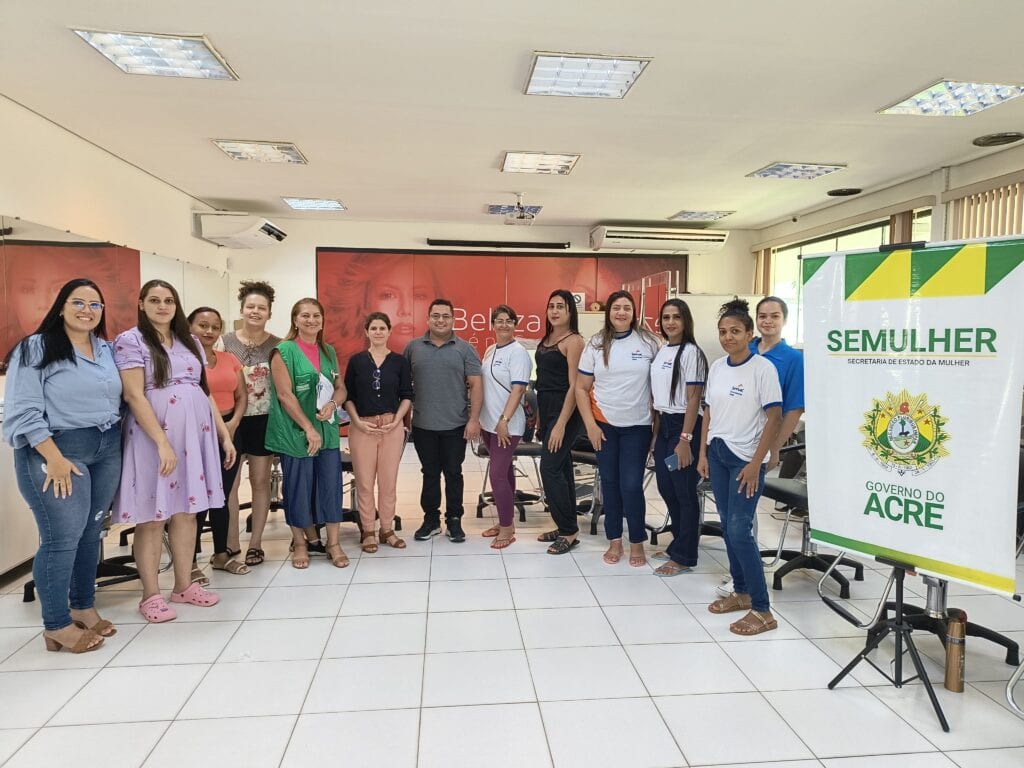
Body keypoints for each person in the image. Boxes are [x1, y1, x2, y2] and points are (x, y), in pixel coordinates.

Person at [3, 279, 122, 652]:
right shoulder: (36, 347)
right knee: (60, 539)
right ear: (61, 305)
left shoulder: (104, 349)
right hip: (56, 450)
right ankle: (55, 624)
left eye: (95, 304)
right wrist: (52, 456)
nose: (87, 310)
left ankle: (83, 606)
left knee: (92, 532)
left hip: (105, 445)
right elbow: (21, 407)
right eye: (79, 302)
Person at [114, 279, 236, 623]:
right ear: (141, 304)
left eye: (168, 300)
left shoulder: (190, 341)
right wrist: (162, 442)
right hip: (153, 438)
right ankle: (150, 594)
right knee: (153, 516)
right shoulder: (130, 341)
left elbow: (204, 391)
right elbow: (134, 395)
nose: (162, 306)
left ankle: (183, 584)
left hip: (195, 438)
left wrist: (224, 436)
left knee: (187, 512)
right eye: (154, 300)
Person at [699, 299, 782, 636]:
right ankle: (742, 592)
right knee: (727, 525)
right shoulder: (718, 367)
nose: (728, 337)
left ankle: (763, 610)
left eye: (735, 331)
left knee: (738, 529)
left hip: (745, 459)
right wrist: (703, 452)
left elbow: (774, 416)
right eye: (723, 331)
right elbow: (709, 411)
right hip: (718, 453)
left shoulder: (763, 369)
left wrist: (756, 462)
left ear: (750, 333)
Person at [716, 295, 805, 597]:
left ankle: (753, 593)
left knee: (741, 522)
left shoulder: (790, 359)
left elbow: (791, 409)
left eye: (775, 316)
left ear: (784, 320)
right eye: (763, 315)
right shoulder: (744, 351)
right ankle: (739, 578)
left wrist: (775, 448)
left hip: (757, 448)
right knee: (735, 522)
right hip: (729, 445)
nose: (768, 321)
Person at [575, 290, 660, 567]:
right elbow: (581, 387)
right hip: (604, 425)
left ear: (634, 312)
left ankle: (637, 542)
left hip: (638, 426)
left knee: (632, 485)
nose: (621, 313)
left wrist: (657, 432)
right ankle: (614, 540)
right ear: (608, 312)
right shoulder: (596, 344)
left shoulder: (649, 342)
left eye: (626, 308)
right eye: (616, 308)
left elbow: (660, 389)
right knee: (610, 484)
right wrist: (590, 425)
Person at [265, 298, 350, 569]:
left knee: (331, 487)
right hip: (295, 433)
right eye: (305, 316)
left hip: (327, 432)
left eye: (316, 316)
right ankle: (300, 544)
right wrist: (309, 428)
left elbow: (341, 387)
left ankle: (333, 543)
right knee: (299, 489)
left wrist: (333, 404)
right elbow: (285, 395)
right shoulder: (284, 351)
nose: (311, 320)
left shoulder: (328, 351)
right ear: (295, 319)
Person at [404, 298, 482, 543]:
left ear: (453, 319)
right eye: (436, 315)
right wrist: (404, 421)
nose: (440, 320)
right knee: (429, 473)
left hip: (455, 425)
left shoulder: (465, 348)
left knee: (453, 472)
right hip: (423, 424)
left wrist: (474, 420)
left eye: (445, 316)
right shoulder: (413, 348)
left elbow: (477, 385)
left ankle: (454, 520)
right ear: (427, 319)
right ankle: (430, 520)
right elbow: (404, 387)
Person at [219, 280, 281, 567]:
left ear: (269, 312)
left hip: (263, 420)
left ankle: (255, 543)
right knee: (229, 484)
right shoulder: (224, 341)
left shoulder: (278, 345)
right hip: (230, 419)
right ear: (242, 310)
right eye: (250, 307)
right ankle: (231, 542)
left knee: (259, 481)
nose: (255, 312)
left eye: (262, 308)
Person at [343, 312, 414, 552]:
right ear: (367, 331)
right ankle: (368, 531)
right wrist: (357, 421)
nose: (378, 332)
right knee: (364, 482)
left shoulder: (399, 362)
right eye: (373, 328)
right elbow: (348, 397)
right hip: (362, 426)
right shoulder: (357, 361)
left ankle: (387, 529)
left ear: (389, 331)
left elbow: (407, 395)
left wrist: (397, 420)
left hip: (391, 427)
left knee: (388, 482)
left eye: (382, 328)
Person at [188, 307, 250, 579]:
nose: (208, 331)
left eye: (214, 326)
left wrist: (233, 424)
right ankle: (188, 561)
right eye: (202, 325)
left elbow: (242, 395)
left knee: (222, 495)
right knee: (196, 498)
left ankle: (221, 555)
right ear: (189, 327)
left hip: (229, 430)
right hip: (196, 433)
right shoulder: (184, 361)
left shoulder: (229, 359)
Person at [650, 299, 708, 577]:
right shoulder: (663, 351)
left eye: (676, 317)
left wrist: (685, 439)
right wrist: (656, 434)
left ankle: (685, 555)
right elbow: (659, 398)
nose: (670, 322)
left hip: (684, 426)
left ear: (686, 321)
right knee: (666, 487)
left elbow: (694, 398)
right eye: (665, 317)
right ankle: (679, 541)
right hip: (665, 426)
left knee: (684, 493)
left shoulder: (692, 353)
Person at [534, 289, 586, 555]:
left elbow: (575, 386)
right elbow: (543, 382)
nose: (554, 311)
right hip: (548, 408)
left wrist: (561, 423)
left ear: (570, 312)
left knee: (550, 469)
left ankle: (568, 529)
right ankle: (567, 525)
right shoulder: (548, 338)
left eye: (561, 307)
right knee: (562, 468)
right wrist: (542, 419)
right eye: (551, 306)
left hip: (566, 410)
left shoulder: (574, 341)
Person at [478, 305, 533, 549]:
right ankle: (504, 521)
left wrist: (504, 420)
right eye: (499, 321)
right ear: (492, 325)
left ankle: (508, 528)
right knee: (505, 471)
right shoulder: (491, 350)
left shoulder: (518, 352)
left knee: (497, 474)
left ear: (515, 324)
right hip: (488, 422)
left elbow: (518, 389)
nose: (503, 325)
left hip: (506, 423)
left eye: (508, 321)